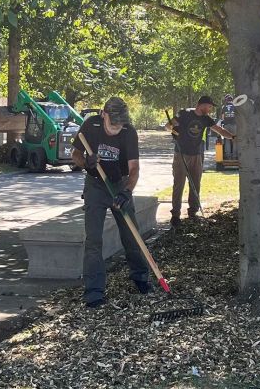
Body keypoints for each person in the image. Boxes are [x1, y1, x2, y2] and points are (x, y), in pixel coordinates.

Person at [71, 97, 152, 308]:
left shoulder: (128, 132)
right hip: (96, 185)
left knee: (131, 235)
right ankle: (94, 292)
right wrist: (85, 163)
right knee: (94, 240)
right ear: (103, 114)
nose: (116, 128)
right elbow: (76, 153)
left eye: (120, 124)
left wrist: (126, 191)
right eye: (112, 123)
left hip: (119, 184)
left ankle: (141, 277)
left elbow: (134, 168)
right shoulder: (91, 125)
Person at [166, 96, 235, 227]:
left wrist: (232, 137)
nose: (210, 110)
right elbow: (168, 126)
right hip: (180, 153)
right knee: (178, 184)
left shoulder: (205, 119)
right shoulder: (184, 113)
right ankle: (175, 215)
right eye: (209, 107)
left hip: (196, 154)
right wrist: (174, 130)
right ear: (202, 105)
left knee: (195, 184)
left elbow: (219, 130)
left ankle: (193, 212)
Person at [220, 94, 237, 160]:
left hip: (226, 125)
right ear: (232, 100)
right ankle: (235, 156)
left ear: (226, 100)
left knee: (227, 140)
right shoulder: (235, 106)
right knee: (234, 140)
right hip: (234, 125)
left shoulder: (224, 107)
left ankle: (228, 155)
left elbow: (222, 117)